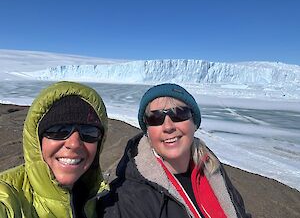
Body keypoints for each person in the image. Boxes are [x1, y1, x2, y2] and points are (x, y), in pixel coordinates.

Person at [99, 83, 251, 218]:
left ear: (194, 123)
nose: (168, 126)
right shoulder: (129, 198)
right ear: (148, 131)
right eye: (155, 118)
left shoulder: (212, 169)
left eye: (179, 114)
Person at [0, 81, 109, 218]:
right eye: (58, 130)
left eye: (89, 132)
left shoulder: (103, 200)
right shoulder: (8, 195)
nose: (74, 144)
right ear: (37, 140)